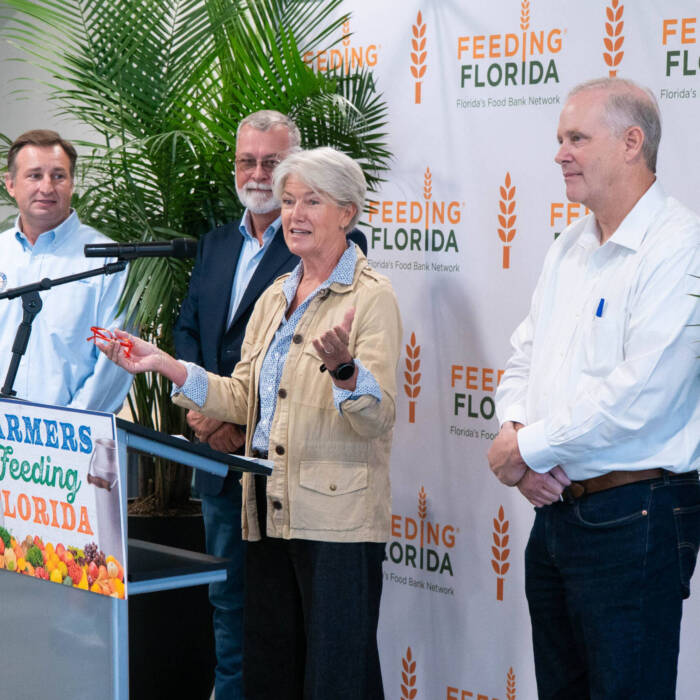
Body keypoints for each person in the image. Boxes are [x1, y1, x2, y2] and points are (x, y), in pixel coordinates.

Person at [100, 146, 401, 699]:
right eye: (288, 202)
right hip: (265, 509)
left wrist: (345, 372)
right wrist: (166, 365)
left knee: (338, 678)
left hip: (335, 521)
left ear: (347, 213)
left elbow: (377, 417)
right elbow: (242, 397)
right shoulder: (275, 295)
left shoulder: (371, 297)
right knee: (272, 675)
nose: (294, 214)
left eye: (311, 201)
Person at [489, 77, 700, 699]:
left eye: (576, 138)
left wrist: (525, 450)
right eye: (561, 138)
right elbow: (524, 355)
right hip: (555, 514)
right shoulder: (570, 247)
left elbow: (642, 395)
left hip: (636, 518)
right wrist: (517, 436)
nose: (560, 154)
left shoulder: (681, 247)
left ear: (632, 143)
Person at [172, 111, 367, 699]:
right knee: (230, 606)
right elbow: (189, 331)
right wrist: (203, 415)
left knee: (293, 630)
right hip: (217, 460)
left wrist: (237, 419)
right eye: (246, 161)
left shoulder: (324, 244)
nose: (257, 174)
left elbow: (317, 362)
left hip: (285, 471)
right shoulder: (215, 243)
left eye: (271, 163)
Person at [0, 129, 132, 412]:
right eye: (34, 175)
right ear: (10, 184)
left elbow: (115, 363)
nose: (47, 187)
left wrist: (69, 424)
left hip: (74, 432)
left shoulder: (108, 260)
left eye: (58, 176)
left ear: (72, 183)